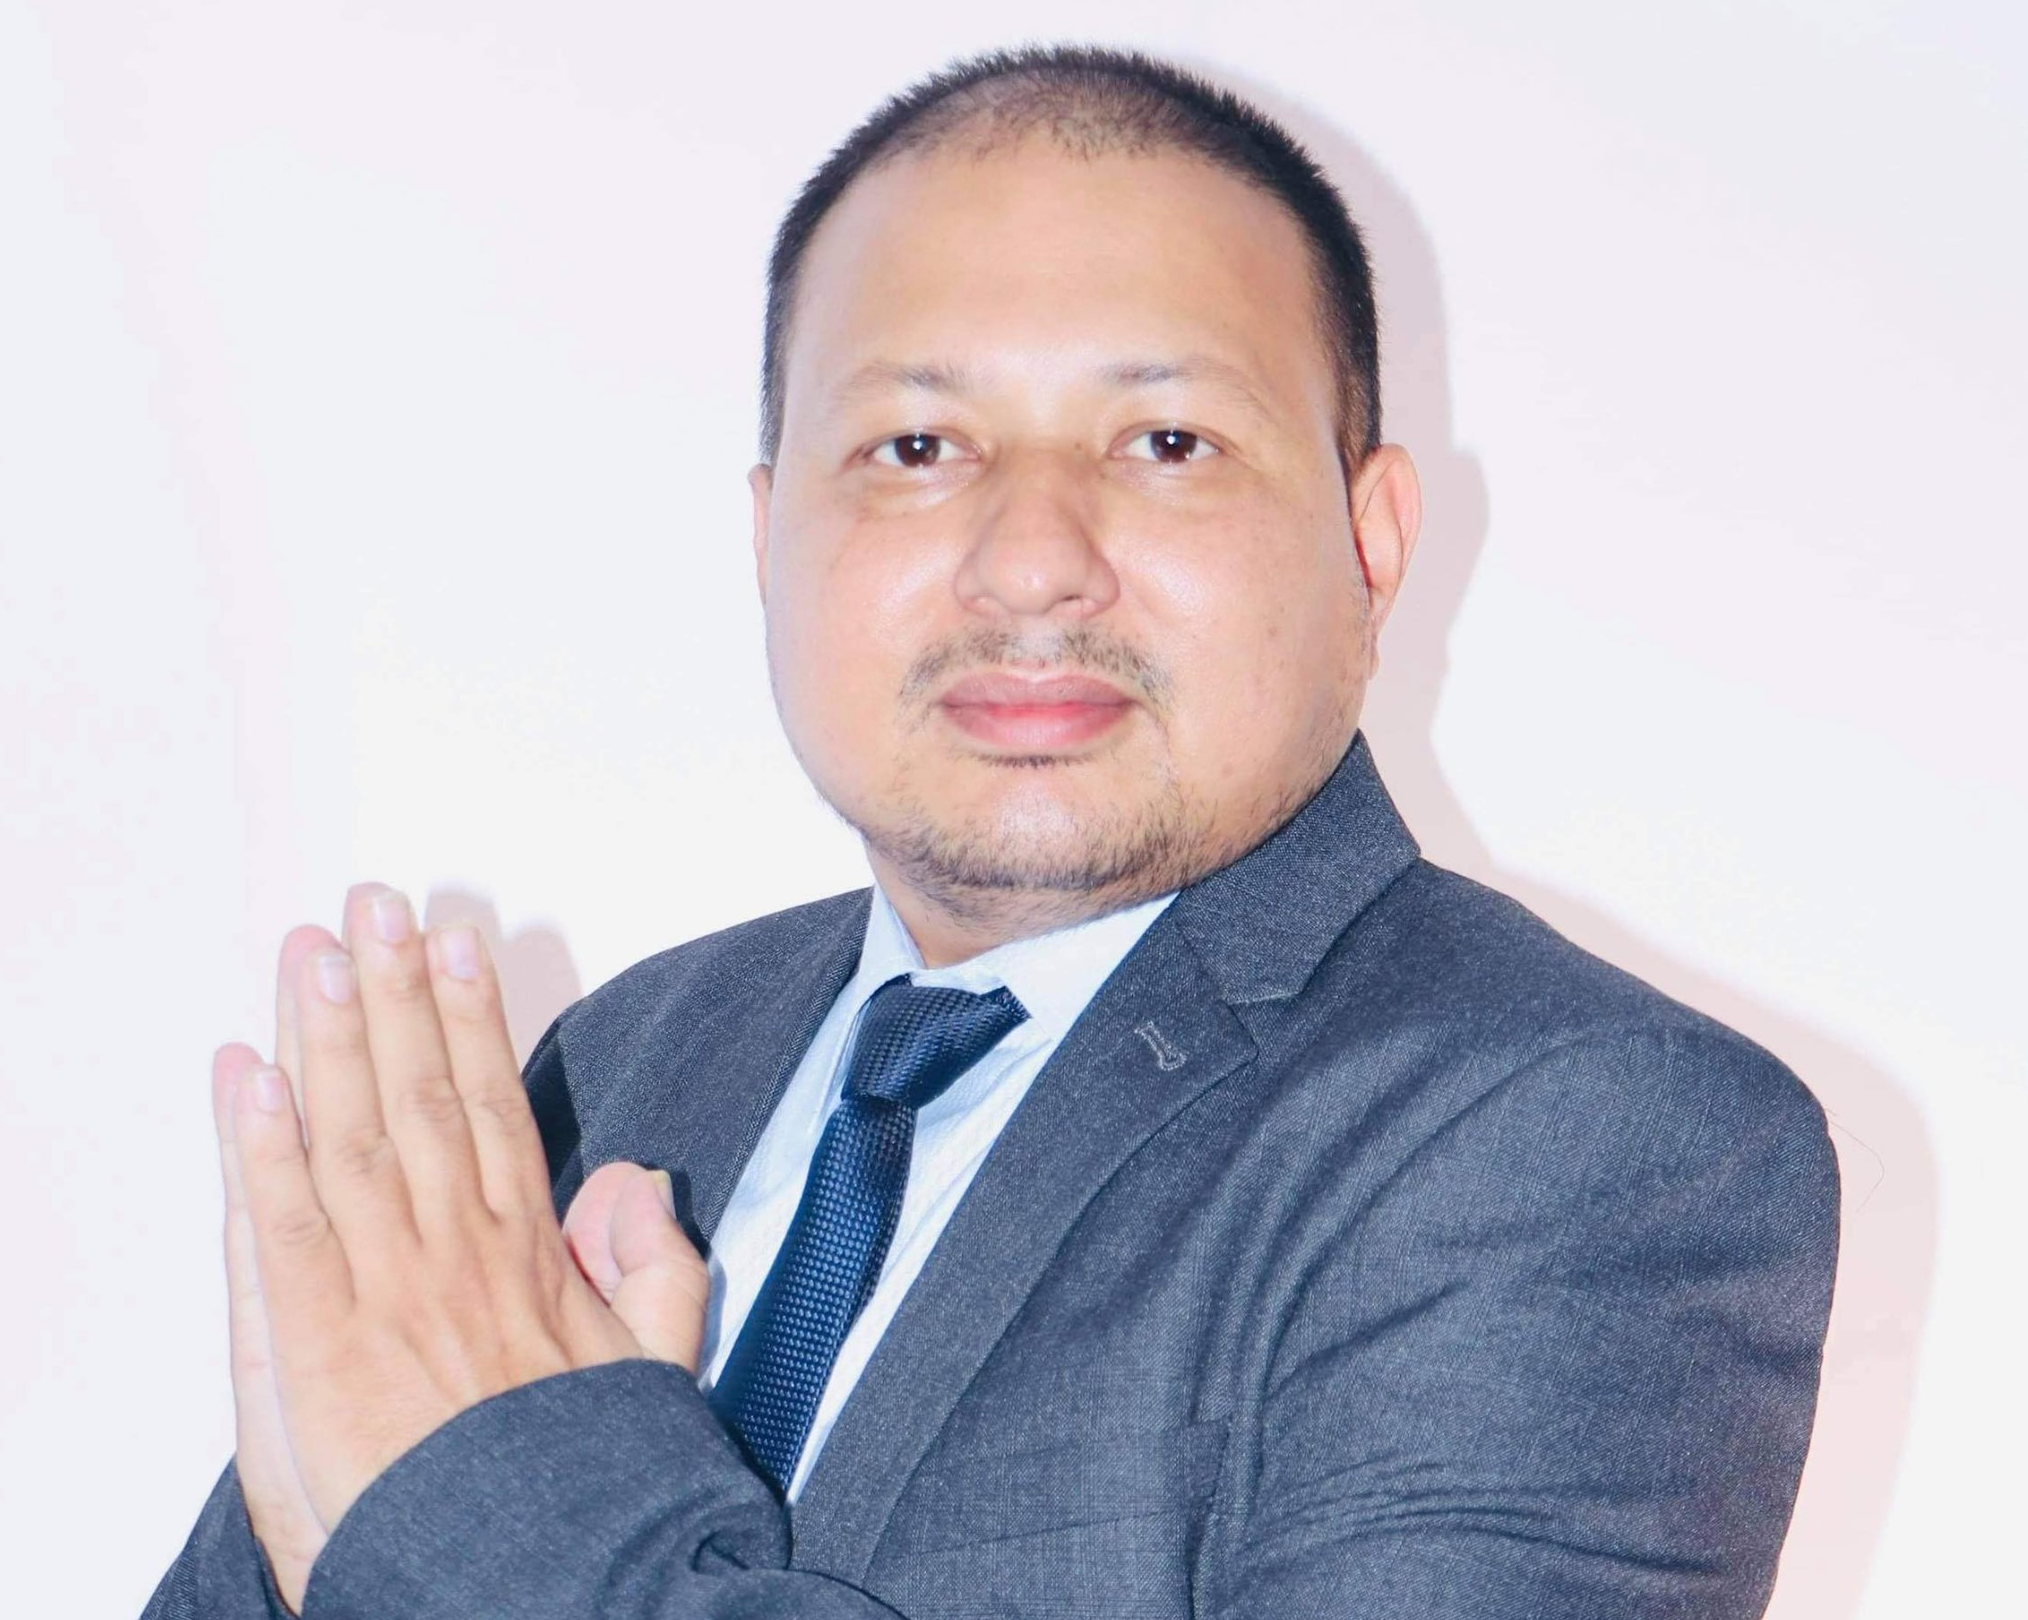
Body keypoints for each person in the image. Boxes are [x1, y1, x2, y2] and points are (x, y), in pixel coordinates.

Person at [143, 43, 1839, 1620]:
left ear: (1370, 545)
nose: (1032, 561)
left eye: (1167, 442)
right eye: (917, 445)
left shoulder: (1591, 1138)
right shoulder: (626, 1068)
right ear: (767, 540)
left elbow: (489, 1538)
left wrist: (511, 1510)